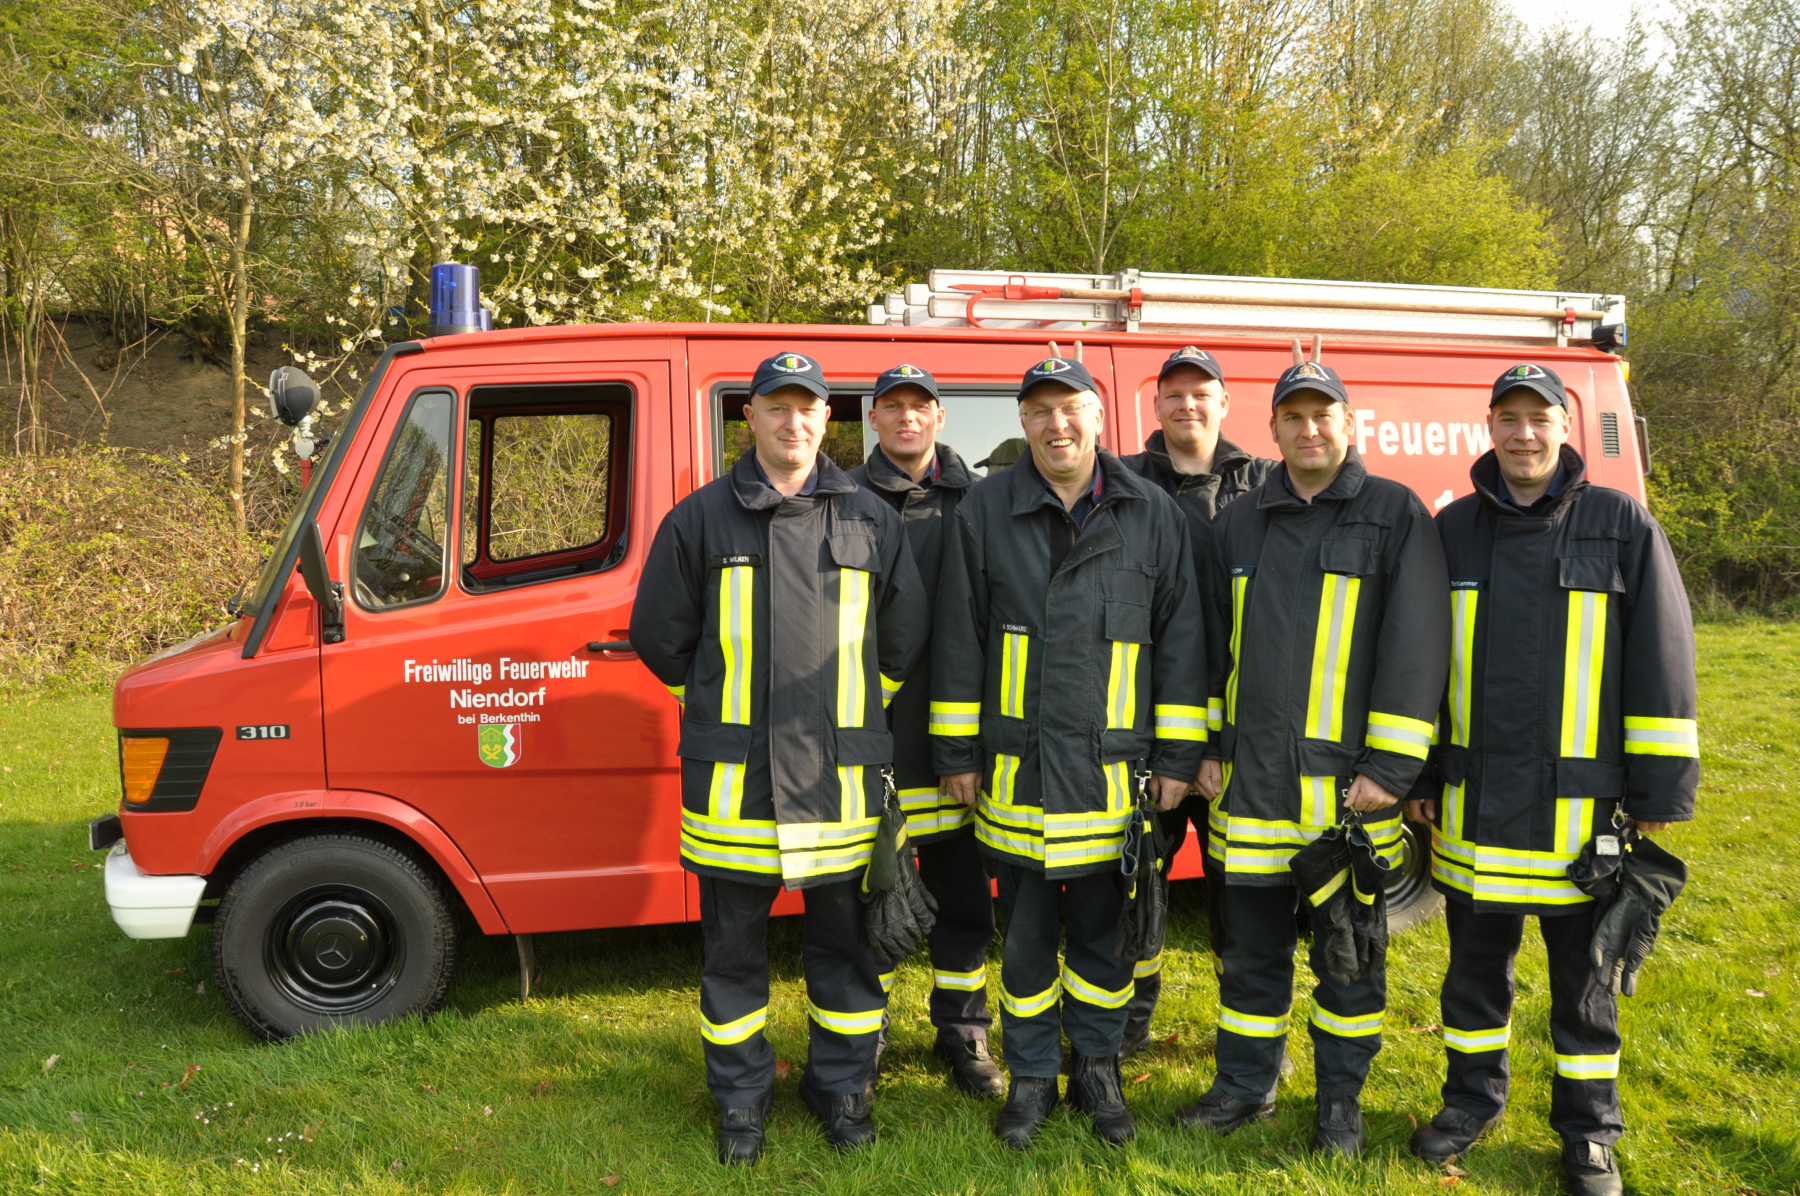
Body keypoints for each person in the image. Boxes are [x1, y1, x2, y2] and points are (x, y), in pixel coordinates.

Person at [1405, 364, 1699, 1196]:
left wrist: (1660, 790)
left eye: (1540, 418)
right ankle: (1470, 1103)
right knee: (1472, 978)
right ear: (1489, 425)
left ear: (1565, 428)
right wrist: (1418, 770)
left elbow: (1662, 660)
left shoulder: (1621, 524)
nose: (1524, 433)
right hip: (1471, 812)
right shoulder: (1453, 529)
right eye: (1509, 417)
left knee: (1585, 988)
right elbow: (1421, 664)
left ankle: (1589, 1134)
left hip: (1582, 820)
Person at [630, 350, 928, 1164]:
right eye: (776, 407)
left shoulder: (872, 519)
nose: (792, 422)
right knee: (732, 957)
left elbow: (901, 640)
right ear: (750, 417)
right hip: (738, 785)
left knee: (848, 951)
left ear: (827, 418)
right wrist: (723, 706)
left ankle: (843, 1089)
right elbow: (658, 638)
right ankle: (740, 1100)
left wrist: (849, 714)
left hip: (841, 784)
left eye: (807, 408)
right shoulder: (698, 520)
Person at [932, 356, 1207, 1148]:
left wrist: (1178, 758)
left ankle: (1096, 1069)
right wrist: (956, 750)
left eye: (1072, 408)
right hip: (1016, 770)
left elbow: (1181, 642)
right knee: (1024, 943)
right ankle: (1029, 1078)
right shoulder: (985, 509)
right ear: (1023, 422)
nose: (1058, 425)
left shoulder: (1152, 512)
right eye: (1042, 411)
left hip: (1113, 776)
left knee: (1103, 940)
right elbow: (960, 635)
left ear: (1098, 416)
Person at [1176, 359, 1449, 1156]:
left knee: (1348, 958)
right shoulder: (1238, 523)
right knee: (1249, 957)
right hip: (1248, 791)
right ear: (1272, 429)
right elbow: (1209, 647)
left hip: (1348, 797)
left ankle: (1339, 1103)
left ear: (1348, 424)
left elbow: (1418, 647)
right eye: (1292, 417)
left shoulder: (1393, 513)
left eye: (1322, 415)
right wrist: (1205, 747)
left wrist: (1391, 768)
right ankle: (1244, 1087)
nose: (1308, 429)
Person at [1118, 346, 1276, 1059]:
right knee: (1135, 887)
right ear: (1155, 406)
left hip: (1242, 734)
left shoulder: (1265, 483)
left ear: (1225, 403)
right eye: (1174, 394)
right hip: (1145, 726)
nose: (1187, 405)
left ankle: (1247, 1038)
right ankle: (1126, 1030)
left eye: (1201, 393)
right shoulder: (1123, 482)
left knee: (1239, 893)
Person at [848, 363, 1002, 1098]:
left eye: (921, 406)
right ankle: (863, 1031)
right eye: (893, 407)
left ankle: (964, 1032)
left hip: (962, 739)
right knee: (868, 895)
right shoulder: (841, 499)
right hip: (872, 736)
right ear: (872, 419)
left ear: (941, 417)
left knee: (964, 899)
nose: (907, 417)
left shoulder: (980, 500)